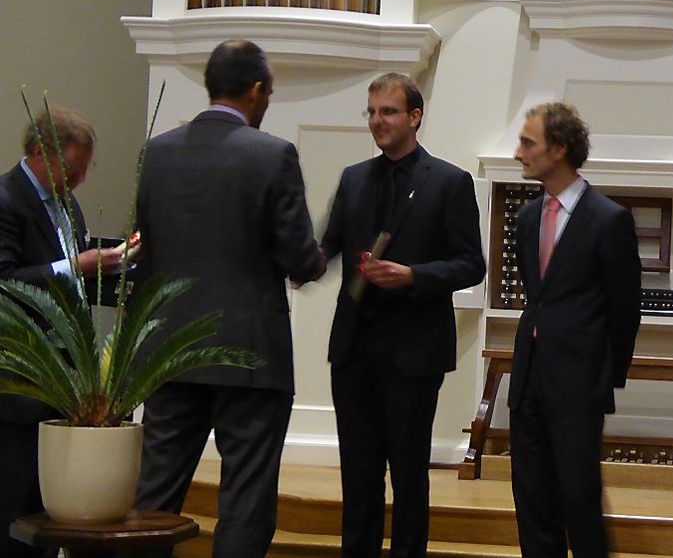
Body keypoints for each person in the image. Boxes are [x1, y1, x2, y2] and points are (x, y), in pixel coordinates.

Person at [132, 40, 325, 557]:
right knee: (245, 495)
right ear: (258, 90)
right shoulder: (272, 154)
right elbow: (297, 254)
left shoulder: (158, 152)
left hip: (169, 352)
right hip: (249, 356)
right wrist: (316, 262)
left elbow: (145, 251)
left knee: (154, 494)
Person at [320, 72, 485, 558]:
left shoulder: (450, 182)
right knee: (358, 473)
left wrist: (413, 275)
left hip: (413, 353)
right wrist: (293, 261)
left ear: (415, 117)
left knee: (409, 475)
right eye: (371, 112)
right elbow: (328, 246)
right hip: (354, 350)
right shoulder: (354, 178)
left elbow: (470, 264)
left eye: (388, 112)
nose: (377, 121)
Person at [507, 102, 642, 558]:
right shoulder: (527, 218)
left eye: (528, 143)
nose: (518, 153)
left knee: (579, 500)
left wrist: (604, 380)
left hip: (578, 384)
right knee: (531, 501)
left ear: (559, 149)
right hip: (529, 379)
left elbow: (625, 310)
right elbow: (538, 299)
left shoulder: (609, 219)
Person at [0, 107, 124, 558]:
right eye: (73, 169)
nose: (80, 181)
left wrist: (116, 264)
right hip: (17, 381)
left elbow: (73, 277)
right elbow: (5, 282)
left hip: (61, 380)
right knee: (12, 507)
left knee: (46, 510)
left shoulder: (66, 204)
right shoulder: (6, 199)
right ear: (38, 153)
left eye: (85, 170)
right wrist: (74, 267)